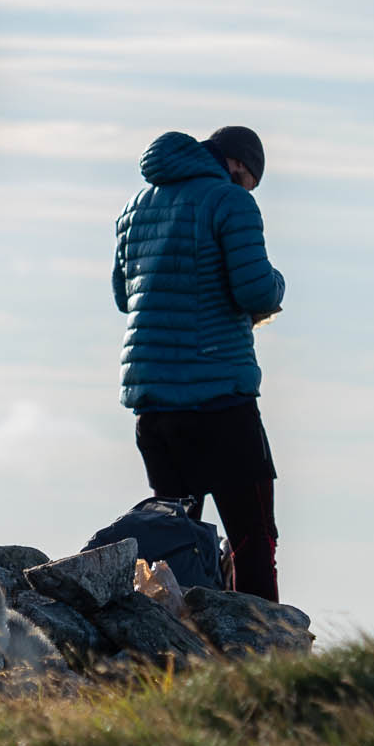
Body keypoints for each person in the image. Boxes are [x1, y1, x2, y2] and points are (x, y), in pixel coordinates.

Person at [112, 126, 286, 602]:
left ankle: (180, 641)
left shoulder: (135, 208)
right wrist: (277, 287)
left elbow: (123, 297)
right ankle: (259, 649)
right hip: (219, 399)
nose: (248, 191)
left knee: (177, 540)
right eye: (249, 181)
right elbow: (253, 290)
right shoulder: (229, 202)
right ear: (238, 167)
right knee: (253, 534)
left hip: (154, 406)